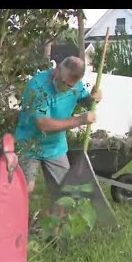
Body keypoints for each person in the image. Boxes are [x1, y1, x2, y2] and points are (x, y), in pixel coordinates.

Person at [15, 56, 102, 214]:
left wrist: (94, 98)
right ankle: (16, 224)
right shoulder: (38, 87)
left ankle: (53, 228)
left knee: (63, 192)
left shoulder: (76, 86)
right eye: (61, 80)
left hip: (55, 147)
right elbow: (44, 124)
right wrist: (79, 121)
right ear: (58, 69)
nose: (63, 86)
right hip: (30, 143)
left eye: (68, 85)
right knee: (26, 188)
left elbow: (85, 100)